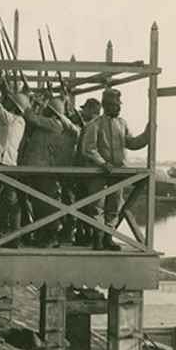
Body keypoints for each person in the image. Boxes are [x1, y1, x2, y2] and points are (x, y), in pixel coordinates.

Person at [81, 88, 149, 250]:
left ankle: (108, 237)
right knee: (97, 206)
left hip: (118, 173)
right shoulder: (95, 125)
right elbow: (88, 148)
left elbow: (131, 143)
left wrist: (146, 135)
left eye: (119, 105)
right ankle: (97, 238)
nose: (118, 108)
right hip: (99, 173)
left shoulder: (122, 123)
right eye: (114, 105)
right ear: (105, 105)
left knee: (115, 205)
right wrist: (102, 163)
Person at [22, 97, 75, 248]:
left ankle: (52, 233)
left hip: (42, 168)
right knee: (39, 204)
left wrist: (31, 101)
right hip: (37, 168)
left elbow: (30, 117)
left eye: (47, 109)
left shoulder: (53, 124)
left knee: (46, 203)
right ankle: (43, 235)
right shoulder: (47, 126)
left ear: (52, 112)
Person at [0, 87, 28, 244]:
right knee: (9, 201)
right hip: (10, 165)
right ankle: (12, 236)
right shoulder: (18, 121)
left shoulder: (10, 119)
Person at [72, 98, 102, 247]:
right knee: (87, 206)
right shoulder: (95, 125)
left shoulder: (92, 126)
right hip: (87, 172)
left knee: (86, 205)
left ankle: (87, 235)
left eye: (84, 110)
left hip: (87, 173)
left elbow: (85, 151)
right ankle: (86, 235)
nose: (82, 112)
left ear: (91, 111)